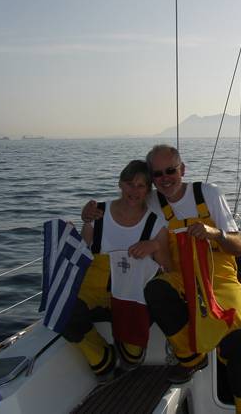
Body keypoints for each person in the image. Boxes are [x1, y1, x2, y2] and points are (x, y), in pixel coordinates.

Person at [144, 144, 241, 413]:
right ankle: (190, 357)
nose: (165, 178)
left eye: (171, 170)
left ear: (182, 169)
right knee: (156, 291)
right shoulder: (152, 203)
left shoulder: (209, 194)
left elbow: (239, 248)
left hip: (219, 277)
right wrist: (92, 215)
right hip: (181, 276)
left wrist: (215, 234)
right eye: (157, 174)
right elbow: (122, 208)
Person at [63, 159, 170, 383]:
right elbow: (83, 249)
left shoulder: (156, 223)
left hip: (132, 294)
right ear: (120, 184)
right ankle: (103, 357)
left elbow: (166, 267)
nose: (134, 191)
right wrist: (74, 229)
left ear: (148, 190)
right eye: (130, 184)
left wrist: (155, 246)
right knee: (63, 309)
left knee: (133, 357)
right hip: (96, 288)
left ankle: (125, 347)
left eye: (141, 186)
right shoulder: (98, 213)